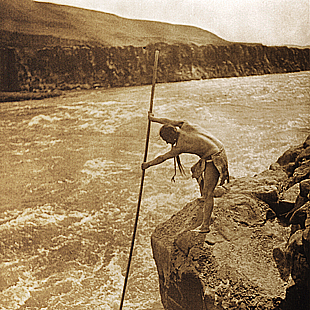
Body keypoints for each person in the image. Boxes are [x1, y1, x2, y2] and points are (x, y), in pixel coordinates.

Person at [142, 113, 229, 233]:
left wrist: (148, 164)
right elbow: (168, 120)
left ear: (171, 137)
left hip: (214, 158)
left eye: (166, 140)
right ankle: (204, 199)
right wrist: (154, 119)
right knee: (196, 171)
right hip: (219, 148)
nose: (167, 143)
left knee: (209, 193)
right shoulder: (185, 125)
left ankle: (205, 226)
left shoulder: (180, 146)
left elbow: (162, 157)